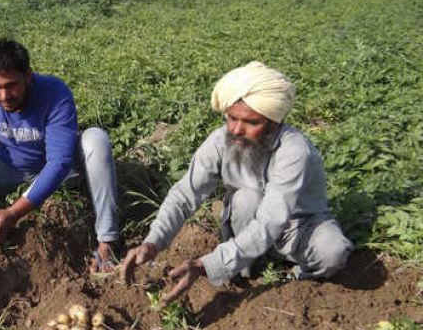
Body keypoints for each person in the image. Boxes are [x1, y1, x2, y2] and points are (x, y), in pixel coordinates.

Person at [122, 61, 353, 303]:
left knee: (333, 251)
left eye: (251, 122)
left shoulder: (295, 151)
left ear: (274, 123)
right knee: (246, 198)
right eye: (232, 118)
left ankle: (292, 280)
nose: (237, 129)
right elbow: (185, 194)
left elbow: (271, 220)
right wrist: (153, 242)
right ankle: (246, 269)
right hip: (247, 219)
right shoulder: (221, 140)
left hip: (296, 226)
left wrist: (206, 265)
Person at [0, 39, 120, 270]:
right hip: (11, 170)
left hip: (63, 175)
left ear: (28, 76)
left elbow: (59, 162)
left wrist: (14, 212)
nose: (4, 95)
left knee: (96, 139)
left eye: (11, 85)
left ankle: (107, 242)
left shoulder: (55, 93)